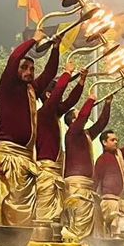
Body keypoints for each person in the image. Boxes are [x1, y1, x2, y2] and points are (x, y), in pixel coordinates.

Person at [0, 33, 62, 225]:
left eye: (32, 68)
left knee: (25, 218)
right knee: (7, 211)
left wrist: (56, 49)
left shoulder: (31, 90)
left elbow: (50, 73)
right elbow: (13, 59)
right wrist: (34, 40)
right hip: (9, 158)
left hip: (26, 160)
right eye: (24, 68)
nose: (29, 71)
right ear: (16, 70)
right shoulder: (8, 86)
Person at [35, 67, 88, 223]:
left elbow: (70, 101)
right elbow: (59, 94)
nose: (61, 99)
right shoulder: (44, 112)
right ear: (49, 95)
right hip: (46, 172)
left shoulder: (55, 114)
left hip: (56, 173)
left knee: (57, 218)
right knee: (45, 219)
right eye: (58, 94)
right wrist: (67, 73)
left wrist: (81, 81)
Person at [62, 95, 113, 240]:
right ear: (73, 121)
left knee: (89, 229)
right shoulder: (72, 133)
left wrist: (107, 104)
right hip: (76, 186)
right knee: (78, 227)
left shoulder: (86, 135)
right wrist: (90, 100)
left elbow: (101, 123)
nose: (82, 117)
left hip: (86, 186)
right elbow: (84, 116)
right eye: (78, 116)